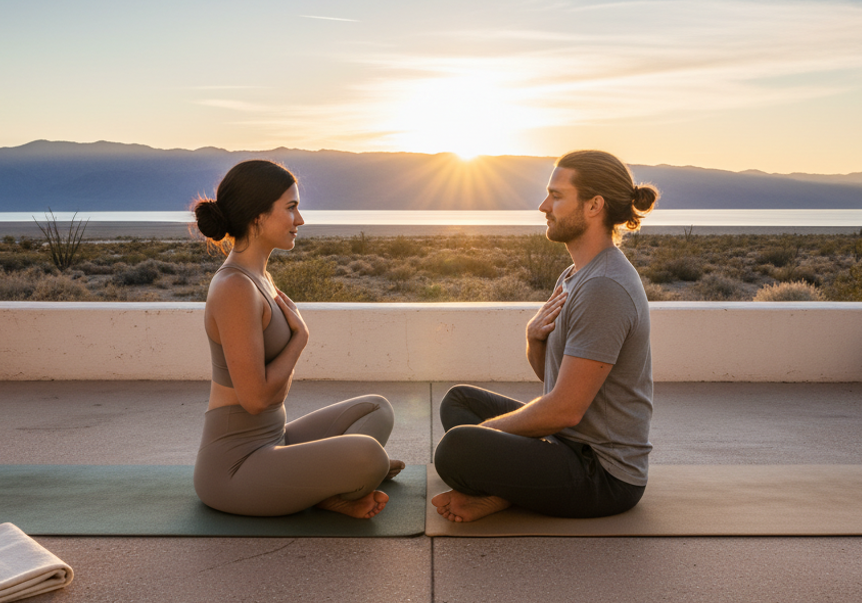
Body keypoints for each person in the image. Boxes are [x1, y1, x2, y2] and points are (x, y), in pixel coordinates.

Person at [432, 150, 658, 523]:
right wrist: (533, 340)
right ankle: (509, 489)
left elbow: (565, 408)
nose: (543, 206)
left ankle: (504, 490)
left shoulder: (604, 286)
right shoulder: (575, 274)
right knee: (459, 401)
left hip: (602, 475)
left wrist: (485, 434)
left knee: (458, 447)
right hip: (564, 442)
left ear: (593, 206)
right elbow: (554, 380)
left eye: (556, 195)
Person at [193, 159, 403, 519]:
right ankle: (333, 485)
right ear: (258, 216)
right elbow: (256, 399)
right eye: (291, 208)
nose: (300, 220)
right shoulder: (234, 288)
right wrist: (299, 339)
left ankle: (322, 485)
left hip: (276, 440)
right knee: (368, 457)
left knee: (376, 409)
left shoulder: (260, 277)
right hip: (234, 468)